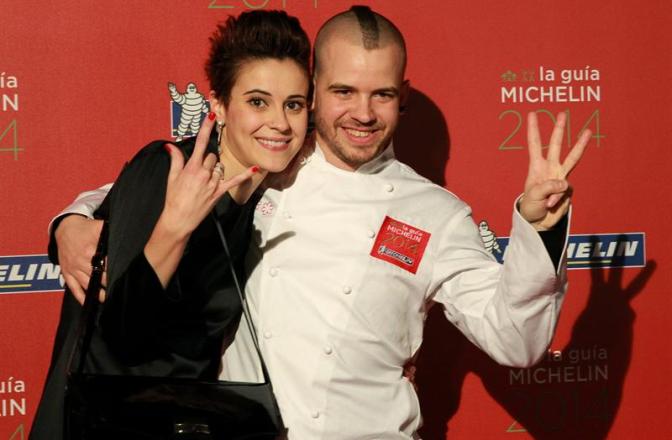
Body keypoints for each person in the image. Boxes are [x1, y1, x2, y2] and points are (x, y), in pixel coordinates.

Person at [44, 6, 591, 439]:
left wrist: (539, 229)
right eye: (342, 92)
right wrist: (72, 220)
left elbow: (517, 341)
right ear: (315, 89)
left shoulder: (436, 213)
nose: (363, 113)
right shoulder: (271, 163)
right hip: (242, 430)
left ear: (402, 97)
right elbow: (158, 182)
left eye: (383, 94)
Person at [30, 10, 311, 440]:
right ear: (218, 105)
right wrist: (174, 228)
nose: (280, 122)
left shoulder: (259, 193)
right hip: (105, 422)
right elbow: (120, 333)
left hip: (183, 420)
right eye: (257, 101)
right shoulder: (166, 168)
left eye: (294, 104)